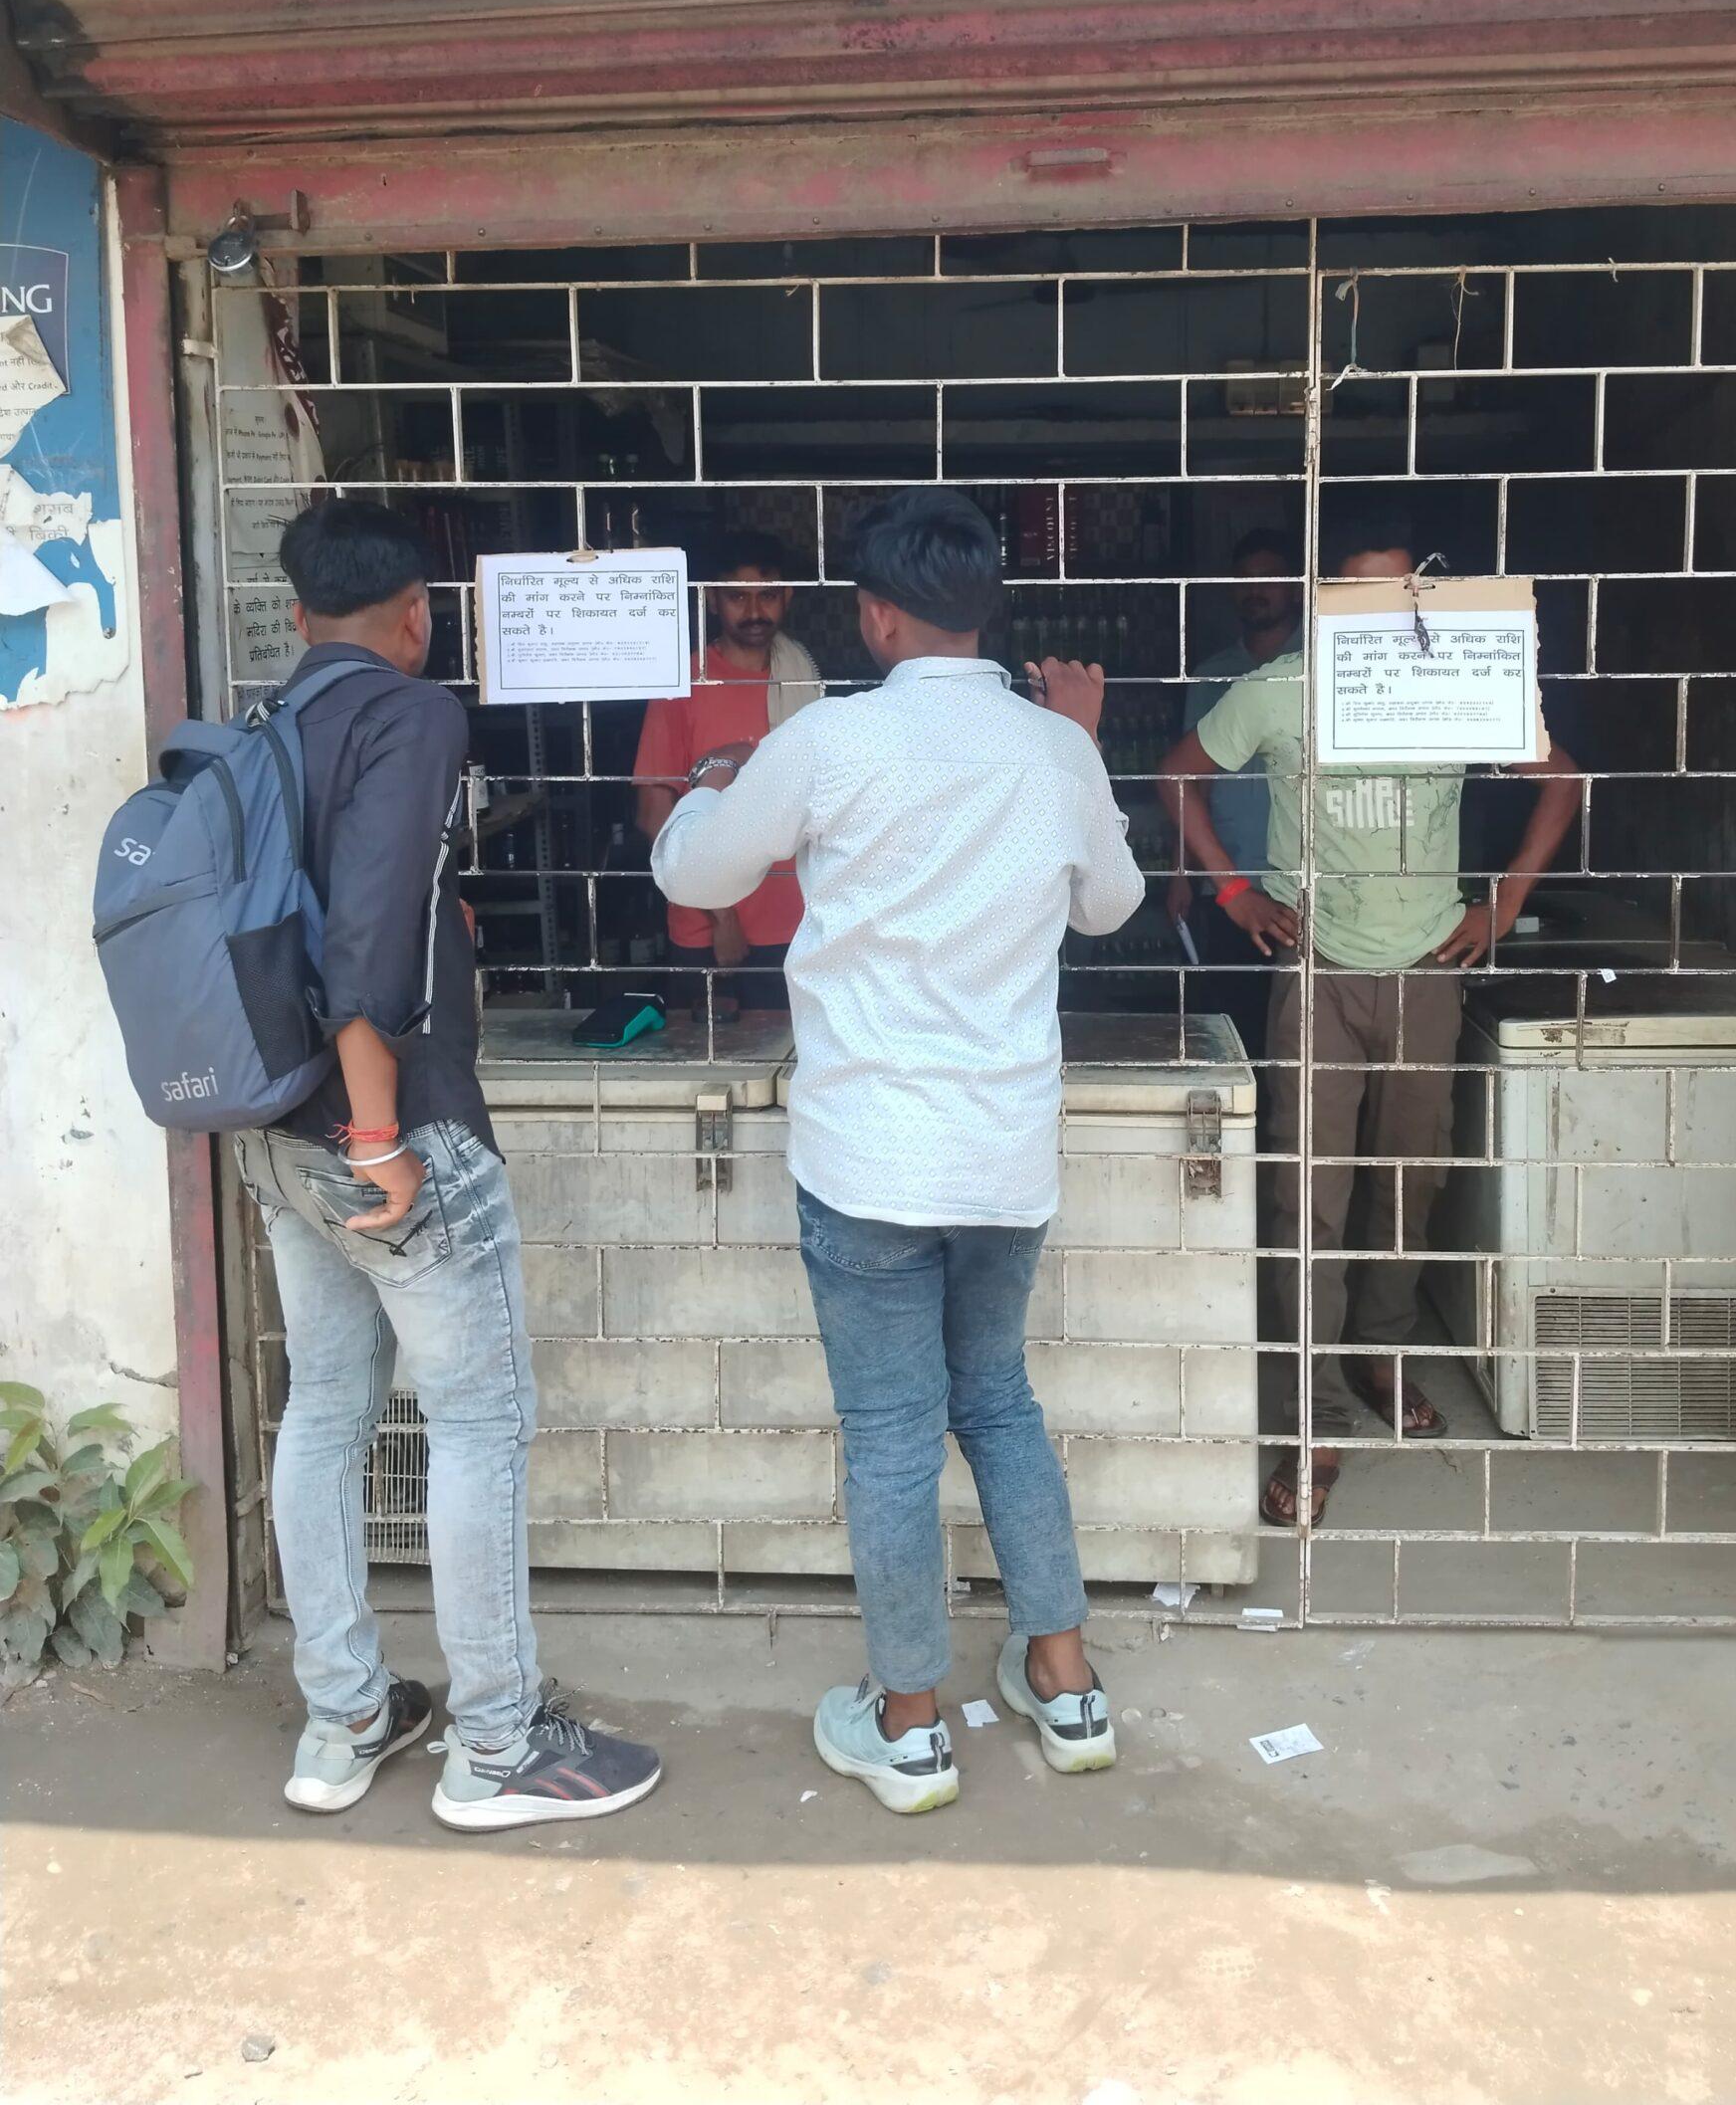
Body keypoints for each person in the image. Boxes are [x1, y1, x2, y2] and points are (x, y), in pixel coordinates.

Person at [650, 488, 1145, 1814]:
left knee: (887, 1437)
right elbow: (1108, 907)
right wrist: (1082, 760)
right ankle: (1067, 1686)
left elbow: (696, 878)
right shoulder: (1054, 748)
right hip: (1001, 1155)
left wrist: (704, 794)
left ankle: (911, 1724)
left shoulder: (824, 740)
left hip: (867, 1155)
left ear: (872, 617)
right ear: (984, 607)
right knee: (997, 1401)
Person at [245, 502, 659, 1829]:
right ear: (418, 614)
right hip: (386, 1129)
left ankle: (346, 1717)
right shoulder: (411, 715)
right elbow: (363, 944)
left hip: (275, 1133)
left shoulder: (266, 725)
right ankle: (496, 1746)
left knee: (325, 1407)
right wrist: (379, 1132)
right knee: (477, 1422)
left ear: (299, 613)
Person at [1157, 510, 1581, 1528]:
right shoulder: (1280, 690)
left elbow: (1560, 782)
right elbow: (1177, 777)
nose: (1383, 614)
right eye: (1358, 595)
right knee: (1307, 1198)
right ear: (1327, 604)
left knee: (1408, 1184)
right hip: (1316, 975)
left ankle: (1380, 1358)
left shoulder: (1456, 684)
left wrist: (1502, 904)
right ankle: (1313, 1417)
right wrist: (1233, 893)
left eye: (1401, 593)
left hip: (1426, 969)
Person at [633, 527, 821, 1013]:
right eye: (738, 596)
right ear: (713, 600)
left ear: (788, 597)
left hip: (797, 923)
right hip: (708, 932)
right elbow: (655, 814)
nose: (755, 611)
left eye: (767, 595)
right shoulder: (683, 684)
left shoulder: (805, 680)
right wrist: (723, 918)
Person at [1166, 526, 1299, 1038]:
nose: (1255, 589)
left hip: (1307, 888)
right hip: (1232, 881)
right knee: (1235, 1023)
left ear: (1295, 587)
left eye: (1268, 578)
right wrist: (1182, 874)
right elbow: (1187, 782)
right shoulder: (1212, 675)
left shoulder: (1324, 665)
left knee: (1298, 1027)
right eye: (1244, 579)